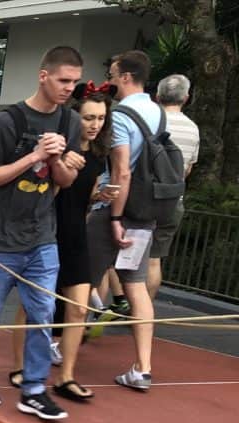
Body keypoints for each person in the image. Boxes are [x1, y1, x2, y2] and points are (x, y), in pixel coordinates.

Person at [0, 45, 83, 421]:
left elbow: (65, 181)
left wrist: (59, 160)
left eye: (74, 82)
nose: (69, 88)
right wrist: (34, 156)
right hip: (0, 236)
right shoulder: (8, 121)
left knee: (43, 313)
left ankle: (33, 389)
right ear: (44, 76)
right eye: (63, 80)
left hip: (42, 234)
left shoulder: (70, 122)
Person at [10, 82, 115, 402]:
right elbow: (45, 192)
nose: (95, 124)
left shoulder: (98, 156)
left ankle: (66, 376)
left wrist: (99, 196)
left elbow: (85, 198)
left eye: (100, 118)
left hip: (76, 237)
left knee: (79, 310)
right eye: (89, 118)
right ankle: (20, 366)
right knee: (32, 307)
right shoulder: (58, 149)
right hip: (47, 234)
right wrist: (61, 166)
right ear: (75, 117)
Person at [87, 50, 163, 391]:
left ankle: (62, 345)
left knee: (81, 279)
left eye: (113, 75)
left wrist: (115, 216)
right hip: (146, 212)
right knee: (135, 285)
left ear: (126, 77)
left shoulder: (120, 115)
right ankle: (143, 367)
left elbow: (122, 170)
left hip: (114, 210)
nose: (111, 82)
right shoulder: (158, 112)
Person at [147, 73, 199, 302]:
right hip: (173, 201)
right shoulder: (193, 128)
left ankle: (121, 304)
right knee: (154, 259)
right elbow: (188, 169)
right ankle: (143, 310)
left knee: (123, 256)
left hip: (144, 198)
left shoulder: (152, 122)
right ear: (186, 98)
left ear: (157, 96)